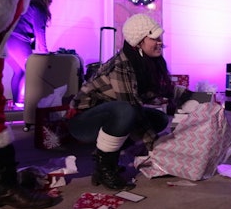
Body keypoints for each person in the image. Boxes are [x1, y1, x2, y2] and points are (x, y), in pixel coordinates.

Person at [67, 13, 185, 190]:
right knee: (126, 112)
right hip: (83, 122)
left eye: (160, 37)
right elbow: (132, 108)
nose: (160, 41)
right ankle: (105, 167)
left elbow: (166, 89)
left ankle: (105, 154)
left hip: (109, 115)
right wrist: (157, 147)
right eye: (154, 38)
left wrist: (197, 98)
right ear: (138, 42)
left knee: (159, 119)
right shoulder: (121, 66)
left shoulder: (147, 62)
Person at [0, 0, 60, 209]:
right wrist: (46, 54)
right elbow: (39, 35)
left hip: (2, 34)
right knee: (27, 70)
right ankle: (21, 102)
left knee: (13, 77)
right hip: (14, 38)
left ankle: (0, 184)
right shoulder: (39, 9)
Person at [6, 0, 52, 107]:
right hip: (18, 40)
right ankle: (24, 102)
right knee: (31, 71)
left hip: (7, 40)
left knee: (19, 71)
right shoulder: (39, 8)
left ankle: (17, 103)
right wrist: (45, 52)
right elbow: (39, 31)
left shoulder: (28, 5)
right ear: (46, 1)